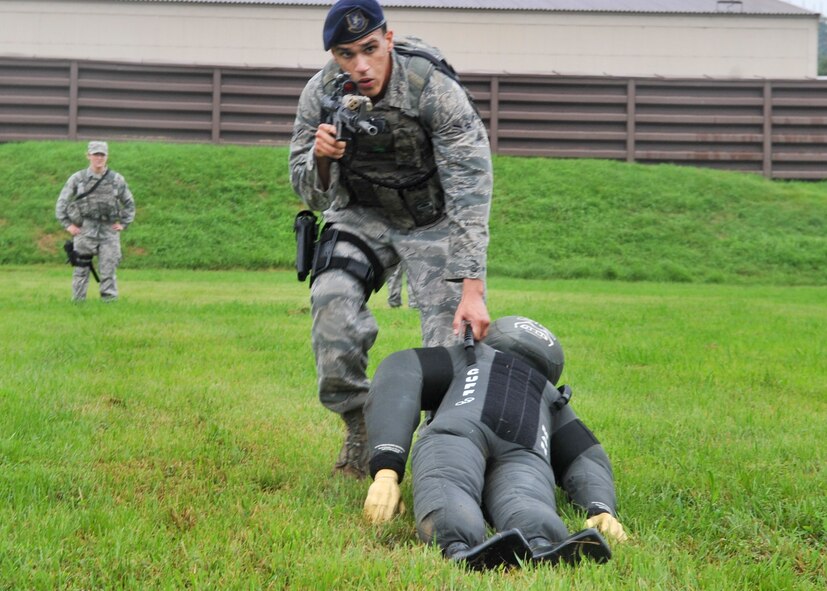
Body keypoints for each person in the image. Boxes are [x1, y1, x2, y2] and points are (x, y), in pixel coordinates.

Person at [288, 0, 492, 478]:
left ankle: (443, 453)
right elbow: (310, 194)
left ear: (389, 39)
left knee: (454, 349)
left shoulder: (431, 87)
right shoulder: (321, 93)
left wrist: (472, 289)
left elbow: (470, 188)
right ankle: (361, 429)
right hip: (362, 216)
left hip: (432, 219)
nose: (360, 66)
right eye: (345, 54)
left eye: (369, 49)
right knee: (331, 307)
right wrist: (321, 158)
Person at [362, 316, 629, 567]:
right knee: (529, 500)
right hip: (525, 453)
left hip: (459, 433)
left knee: (448, 481)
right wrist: (600, 507)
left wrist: (387, 469)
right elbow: (585, 456)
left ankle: (456, 545)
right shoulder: (551, 396)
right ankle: (540, 541)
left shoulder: (469, 356)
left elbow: (398, 373)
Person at [55, 141, 135, 302]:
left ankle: (109, 303)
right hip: (85, 230)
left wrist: (124, 223)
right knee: (81, 269)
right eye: (95, 154)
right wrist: (68, 225)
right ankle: (78, 303)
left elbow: (129, 203)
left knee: (108, 269)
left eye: (102, 155)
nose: (99, 158)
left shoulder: (116, 179)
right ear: (88, 156)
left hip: (109, 231)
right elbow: (62, 202)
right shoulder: (78, 178)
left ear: (107, 156)